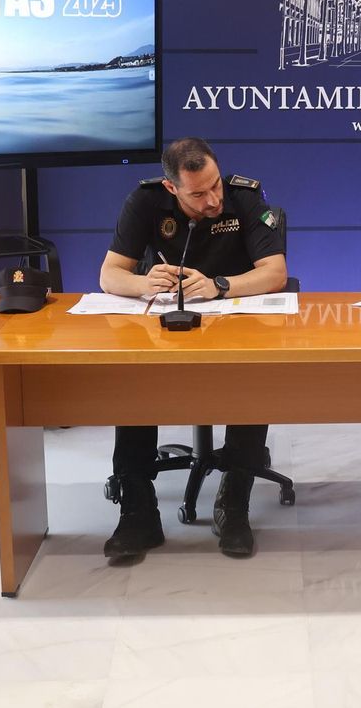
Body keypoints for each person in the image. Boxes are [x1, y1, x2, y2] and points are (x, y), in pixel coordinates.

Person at [99, 137, 288, 560]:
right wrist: (143, 283)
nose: (213, 199)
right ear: (172, 189)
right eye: (198, 194)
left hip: (238, 322)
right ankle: (137, 510)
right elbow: (110, 274)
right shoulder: (145, 201)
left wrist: (221, 286)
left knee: (254, 376)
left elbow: (275, 273)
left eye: (215, 185)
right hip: (169, 327)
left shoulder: (245, 196)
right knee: (133, 378)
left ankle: (234, 505)